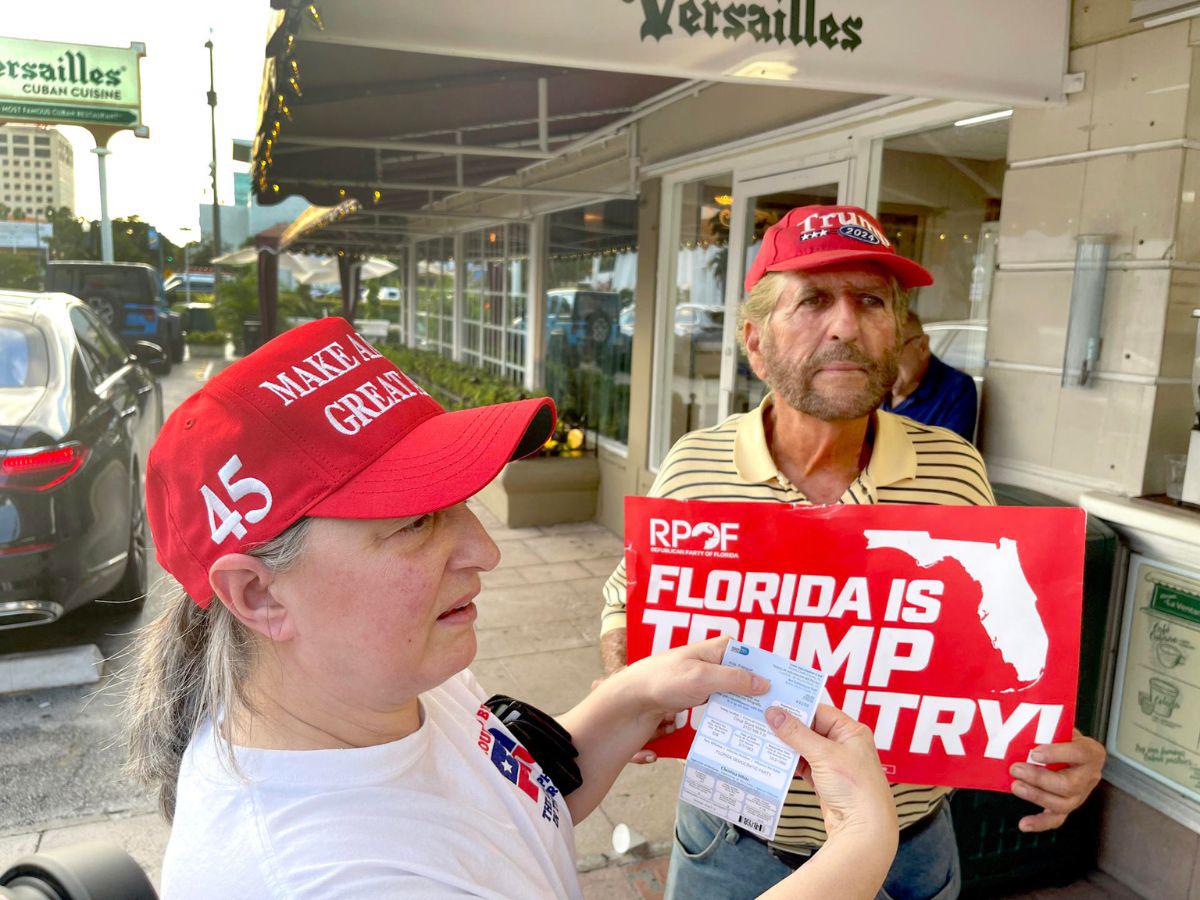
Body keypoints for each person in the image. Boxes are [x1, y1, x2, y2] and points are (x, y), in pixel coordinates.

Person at [123, 316, 900, 899]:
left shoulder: (375, 685)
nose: (483, 551)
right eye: (417, 522)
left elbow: (514, 806)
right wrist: (859, 852)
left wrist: (632, 699)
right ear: (258, 594)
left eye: (461, 503)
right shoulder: (325, 876)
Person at [597, 205, 1106, 900]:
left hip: (906, 846)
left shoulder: (954, 470)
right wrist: (624, 681)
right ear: (755, 343)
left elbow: (976, 641)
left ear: (897, 332)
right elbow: (627, 600)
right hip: (732, 840)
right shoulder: (695, 468)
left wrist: (1046, 738)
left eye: (870, 301)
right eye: (813, 300)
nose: (845, 325)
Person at [882, 310, 978, 441]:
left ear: (922, 347)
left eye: (893, 351)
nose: (883, 363)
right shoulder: (873, 386)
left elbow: (949, 451)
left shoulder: (956, 390)